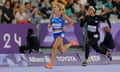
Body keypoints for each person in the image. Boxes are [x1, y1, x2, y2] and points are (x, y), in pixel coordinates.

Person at [45, 3, 79, 69]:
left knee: (54, 47)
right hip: (55, 34)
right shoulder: (52, 15)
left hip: (61, 33)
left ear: (58, 8)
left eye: (55, 7)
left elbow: (71, 22)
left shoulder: (62, 15)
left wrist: (66, 27)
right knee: (62, 51)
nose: (53, 9)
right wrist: (49, 25)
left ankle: (50, 64)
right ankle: (71, 43)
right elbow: (50, 23)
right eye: (53, 7)